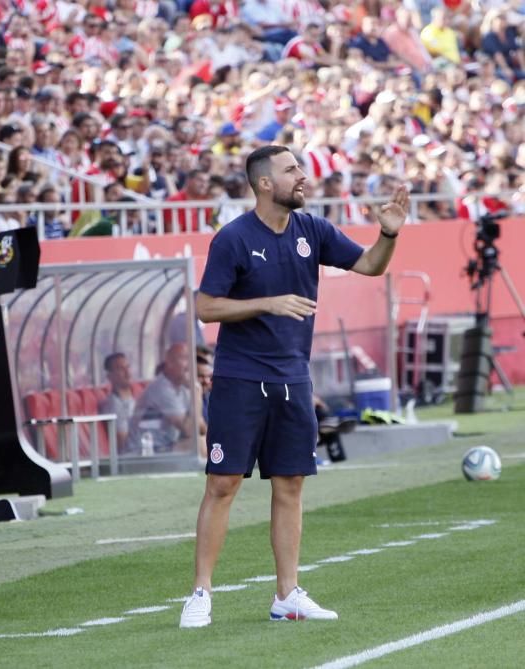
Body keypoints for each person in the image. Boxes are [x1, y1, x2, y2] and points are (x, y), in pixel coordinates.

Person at [179, 145, 409, 628]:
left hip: (293, 379)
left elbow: (371, 265)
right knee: (223, 484)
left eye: (300, 167)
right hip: (240, 378)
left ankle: (287, 595)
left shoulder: (313, 229)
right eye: (291, 170)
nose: (302, 177)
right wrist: (269, 303)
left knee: (290, 484)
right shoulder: (234, 239)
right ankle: (200, 593)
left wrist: (387, 234)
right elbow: (205, 307)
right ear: (265, 183)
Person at [126, 343, 198, 455]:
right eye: (184, 358)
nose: (189, 365)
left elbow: (201, 428)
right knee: (199, 444)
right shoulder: (161, 388)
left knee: (205, 440)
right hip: (144, 451)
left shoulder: (183, 388)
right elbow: (189, 430)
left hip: (165, 446)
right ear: (169, 363)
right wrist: (196, 393)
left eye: (190, 359)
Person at [98, 352, 136, 447]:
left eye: (128, 367)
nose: (127, 372)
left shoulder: (132, 399)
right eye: (120, 369)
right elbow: (122, 442)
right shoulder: (113, 405)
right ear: (110, 376)